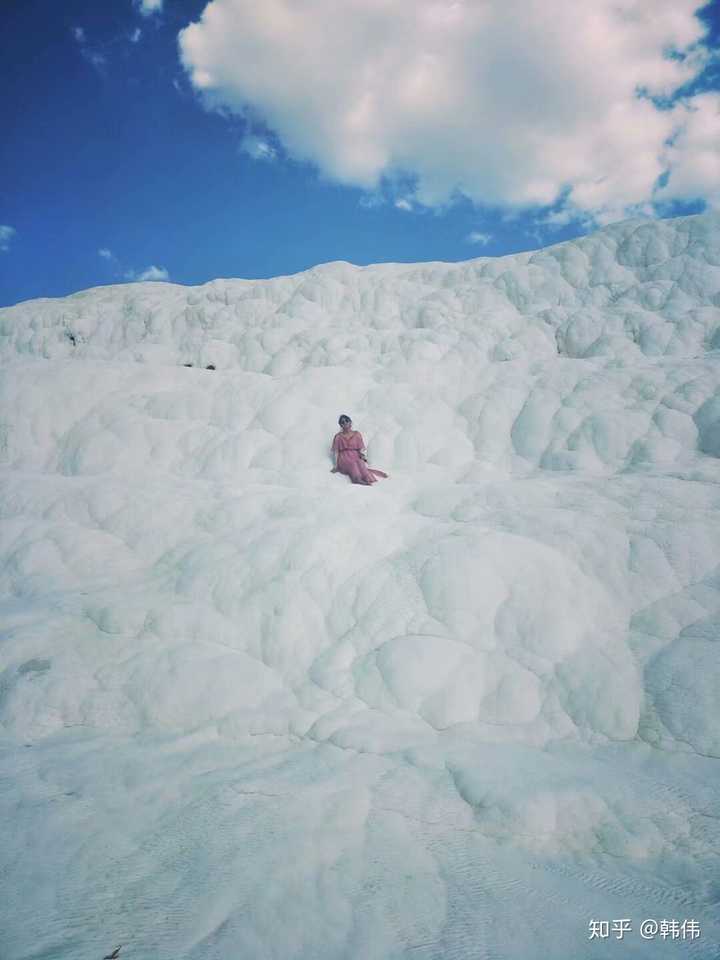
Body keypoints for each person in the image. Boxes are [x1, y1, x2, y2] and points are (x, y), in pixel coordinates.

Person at [331, 415, 389, 485]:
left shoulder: (357, 434)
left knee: (360, 463)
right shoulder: (338, 436)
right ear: (341, 425)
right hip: (344, 458)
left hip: (355, 456)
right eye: (342, 422)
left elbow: (360, 449)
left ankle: (368, 479)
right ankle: (357, 480)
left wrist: (363, 457)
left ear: (350, 422)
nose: (345, 423)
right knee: (353, 464)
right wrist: (335, 466)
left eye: (347, 421)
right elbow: (336, 452)